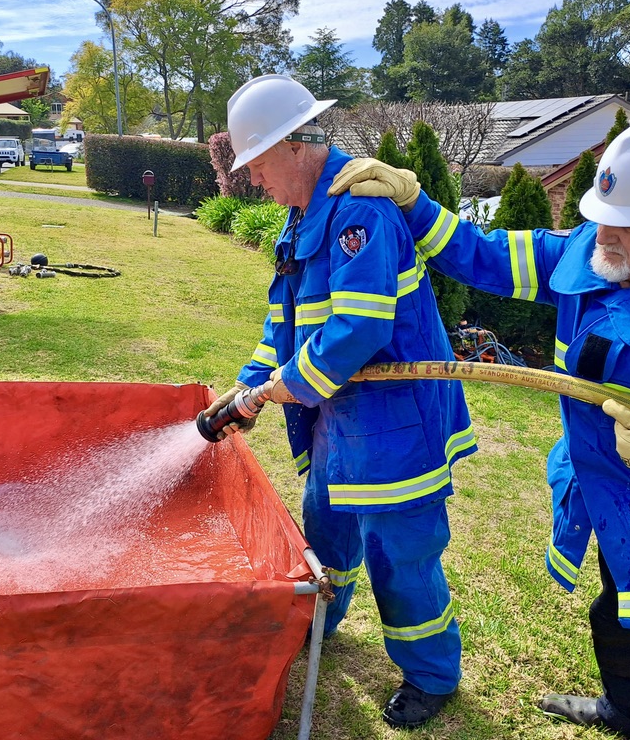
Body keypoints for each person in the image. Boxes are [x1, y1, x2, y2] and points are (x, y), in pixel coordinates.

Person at [328, 113, 630, 740]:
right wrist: (417, 204)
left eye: (627, 222)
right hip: (619, 512)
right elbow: (489, 257)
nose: (602, 233)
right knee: (616, 621)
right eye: (601, 213)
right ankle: (623, 712)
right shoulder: (596, 253)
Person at [203, 74, 478, 729]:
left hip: (396, 426)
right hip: (339, 425)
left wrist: (287, 385)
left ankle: (431, 677)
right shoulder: (300, 222)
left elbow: (359, 329)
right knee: (326, 534)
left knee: (399, 557)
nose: (256, 182)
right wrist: (247, 390)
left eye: (260, 165)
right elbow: (284, 328)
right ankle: (321, 622)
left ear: (296, 145)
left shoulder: (361, 212)